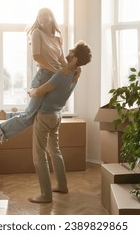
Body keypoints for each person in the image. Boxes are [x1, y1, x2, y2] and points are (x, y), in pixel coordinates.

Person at [0, 8, 79, 142]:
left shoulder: (57, 39)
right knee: (29, 117)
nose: (41, 18)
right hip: (43, 76)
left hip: (55, 78)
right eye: (39, 16)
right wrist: (56, 71)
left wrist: (77, 69)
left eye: (45, 15)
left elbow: (62, 62)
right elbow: (37, 57)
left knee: (41, 113)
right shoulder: (37, 33)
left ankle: (5, 117)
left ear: (51, 17)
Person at [27, 41, 92, 203]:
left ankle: (45, 195)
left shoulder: (61, 75)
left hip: (45, 116)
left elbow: (38, 92)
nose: (68, 51)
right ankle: (62, 186)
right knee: (55, 151)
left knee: (39, 155)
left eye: (72, 51)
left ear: (75, 59)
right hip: (57, 116)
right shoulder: (75, 75)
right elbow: (74, 66)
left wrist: (30, 90)